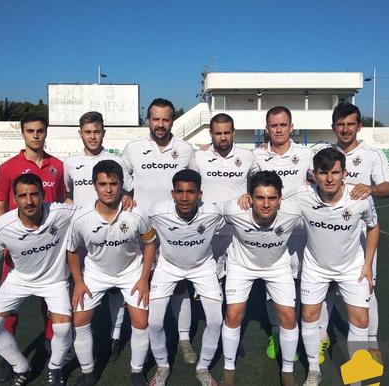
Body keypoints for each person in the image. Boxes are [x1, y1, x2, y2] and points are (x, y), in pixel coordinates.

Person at [289, 148, 379, 386]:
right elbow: (273, 199)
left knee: (360, 321)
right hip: (315, 267)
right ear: (314, 175)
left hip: (352, 268)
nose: (330, 178)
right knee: (308, 316)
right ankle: (313, 370)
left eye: (335, 172)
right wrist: (247, 197)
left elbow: (373, 226)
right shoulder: (302, 195)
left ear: (344, 174)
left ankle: (357, 375)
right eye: (323, 173)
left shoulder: (360, 198)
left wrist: (368, 264)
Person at [0, 173, 77, 386]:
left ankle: (56, 367)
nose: (29, 201)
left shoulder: (60, 213)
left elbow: (94, 211)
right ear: (14, 199)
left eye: (34, 194)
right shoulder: (2, 226)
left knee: (62, 328)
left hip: (54, 281)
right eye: (23, 196)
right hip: (19, 280)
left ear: (43, 195)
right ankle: (21, 366)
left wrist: (125, 200)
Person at [122, 98, 199, 364]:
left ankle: (184, 338)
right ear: (148, 119)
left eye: (166, 119)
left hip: (175, 229)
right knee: (143, 281)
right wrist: (126, 196)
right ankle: (138, 333)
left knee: (179, 286)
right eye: (156, 119)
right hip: (143, 231)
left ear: (172, 121)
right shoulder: (133, 149)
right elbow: (123, 181)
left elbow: (196, 185)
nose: (160, 124)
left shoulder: (186, 150)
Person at [66, 160, 156, 386]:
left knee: (141, 321)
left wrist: (144, 279)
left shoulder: (137, 213)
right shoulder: (80, 217)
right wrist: (78, 282)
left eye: (113, 184)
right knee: (79, 319)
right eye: (103, 184)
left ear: (122, 185)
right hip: (95, 274)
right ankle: (88, 372)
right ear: (94, 186)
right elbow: (72, 250)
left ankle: (137, 372)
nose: (108, 189)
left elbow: (150, 243)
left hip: (131, 272)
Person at [0, 113, 66, 382]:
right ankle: (8, 358)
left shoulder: (57, 166)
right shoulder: (8, 167)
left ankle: (49, 348)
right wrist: (5, 241)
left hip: (48, 252)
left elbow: (61, 204)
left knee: (51, 304)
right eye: (30, 131)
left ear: (46, 133)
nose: (36, 135)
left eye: (40, 131)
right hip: (17, 251)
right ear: (22, 133)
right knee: (8, 308)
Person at [319, 102, 389, 360]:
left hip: (360, 236)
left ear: (359, 126)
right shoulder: (323, 153)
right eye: (341, 124)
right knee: (325, 288)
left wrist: (370, 188)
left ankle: (371, 343)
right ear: (333, 127)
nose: (346, 129)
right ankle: (321, 337)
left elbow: (388, 188)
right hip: (327, 234)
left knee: (366, 287)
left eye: (351, 124)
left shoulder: (373, 155)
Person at [220, 171, 302, 386]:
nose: (266, 204)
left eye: (272, 198)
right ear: (250, 197)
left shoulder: (293, 212)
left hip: (277, 267)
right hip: (241, 266)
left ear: (280, 199)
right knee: (233, 314)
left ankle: (287, 371)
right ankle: (229, 369)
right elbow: (208, 212)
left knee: (288, 316)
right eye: (260, 197)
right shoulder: (234, 209)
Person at [64, 111, 134, 360]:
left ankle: (114, 336)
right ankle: (76, 339)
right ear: (80, 133)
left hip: (111, 233)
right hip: (81, 236)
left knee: (115, 289)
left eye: (96, 131)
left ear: (103, 132)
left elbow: (127, 193)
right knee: (78, 286)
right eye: (87, 132)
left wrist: (127, 197)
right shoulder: (70, 163)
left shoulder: (116, 160)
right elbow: (68, 195)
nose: (92, 136)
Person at [147, 169, 224, 386]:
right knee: (153, 322)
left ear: (200, 194)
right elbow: (145, 233)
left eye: (190, 192)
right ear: (172, 193)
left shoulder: (213, 212)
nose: (184, 197)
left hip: (202, 267)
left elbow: (236, 210)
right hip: (168, 266)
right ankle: (162, 366)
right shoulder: (156, 212)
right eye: (179, 192)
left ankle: (203, 368)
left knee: (215, 320)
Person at [252, 106, 313, 361]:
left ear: (291, 127)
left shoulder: (307, 154)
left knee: (300, 285)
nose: (278, 129)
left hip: (300, 232)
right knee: (271, 286)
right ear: (267, 129)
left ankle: (301, 332)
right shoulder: (255, 156)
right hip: (270, 232)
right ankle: (276, 332)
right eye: (274, 125)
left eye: (283, 125)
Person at [194, 113, 259, 280]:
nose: (223, 137)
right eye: (218, 133)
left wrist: (250, 193)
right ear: (211, 133)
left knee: (236, 279)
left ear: (233, 132)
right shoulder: (199, 156)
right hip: (207, 229)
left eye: (226, 133)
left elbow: (260, 182)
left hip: (237, 230)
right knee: (207, 278)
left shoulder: (247, 156)